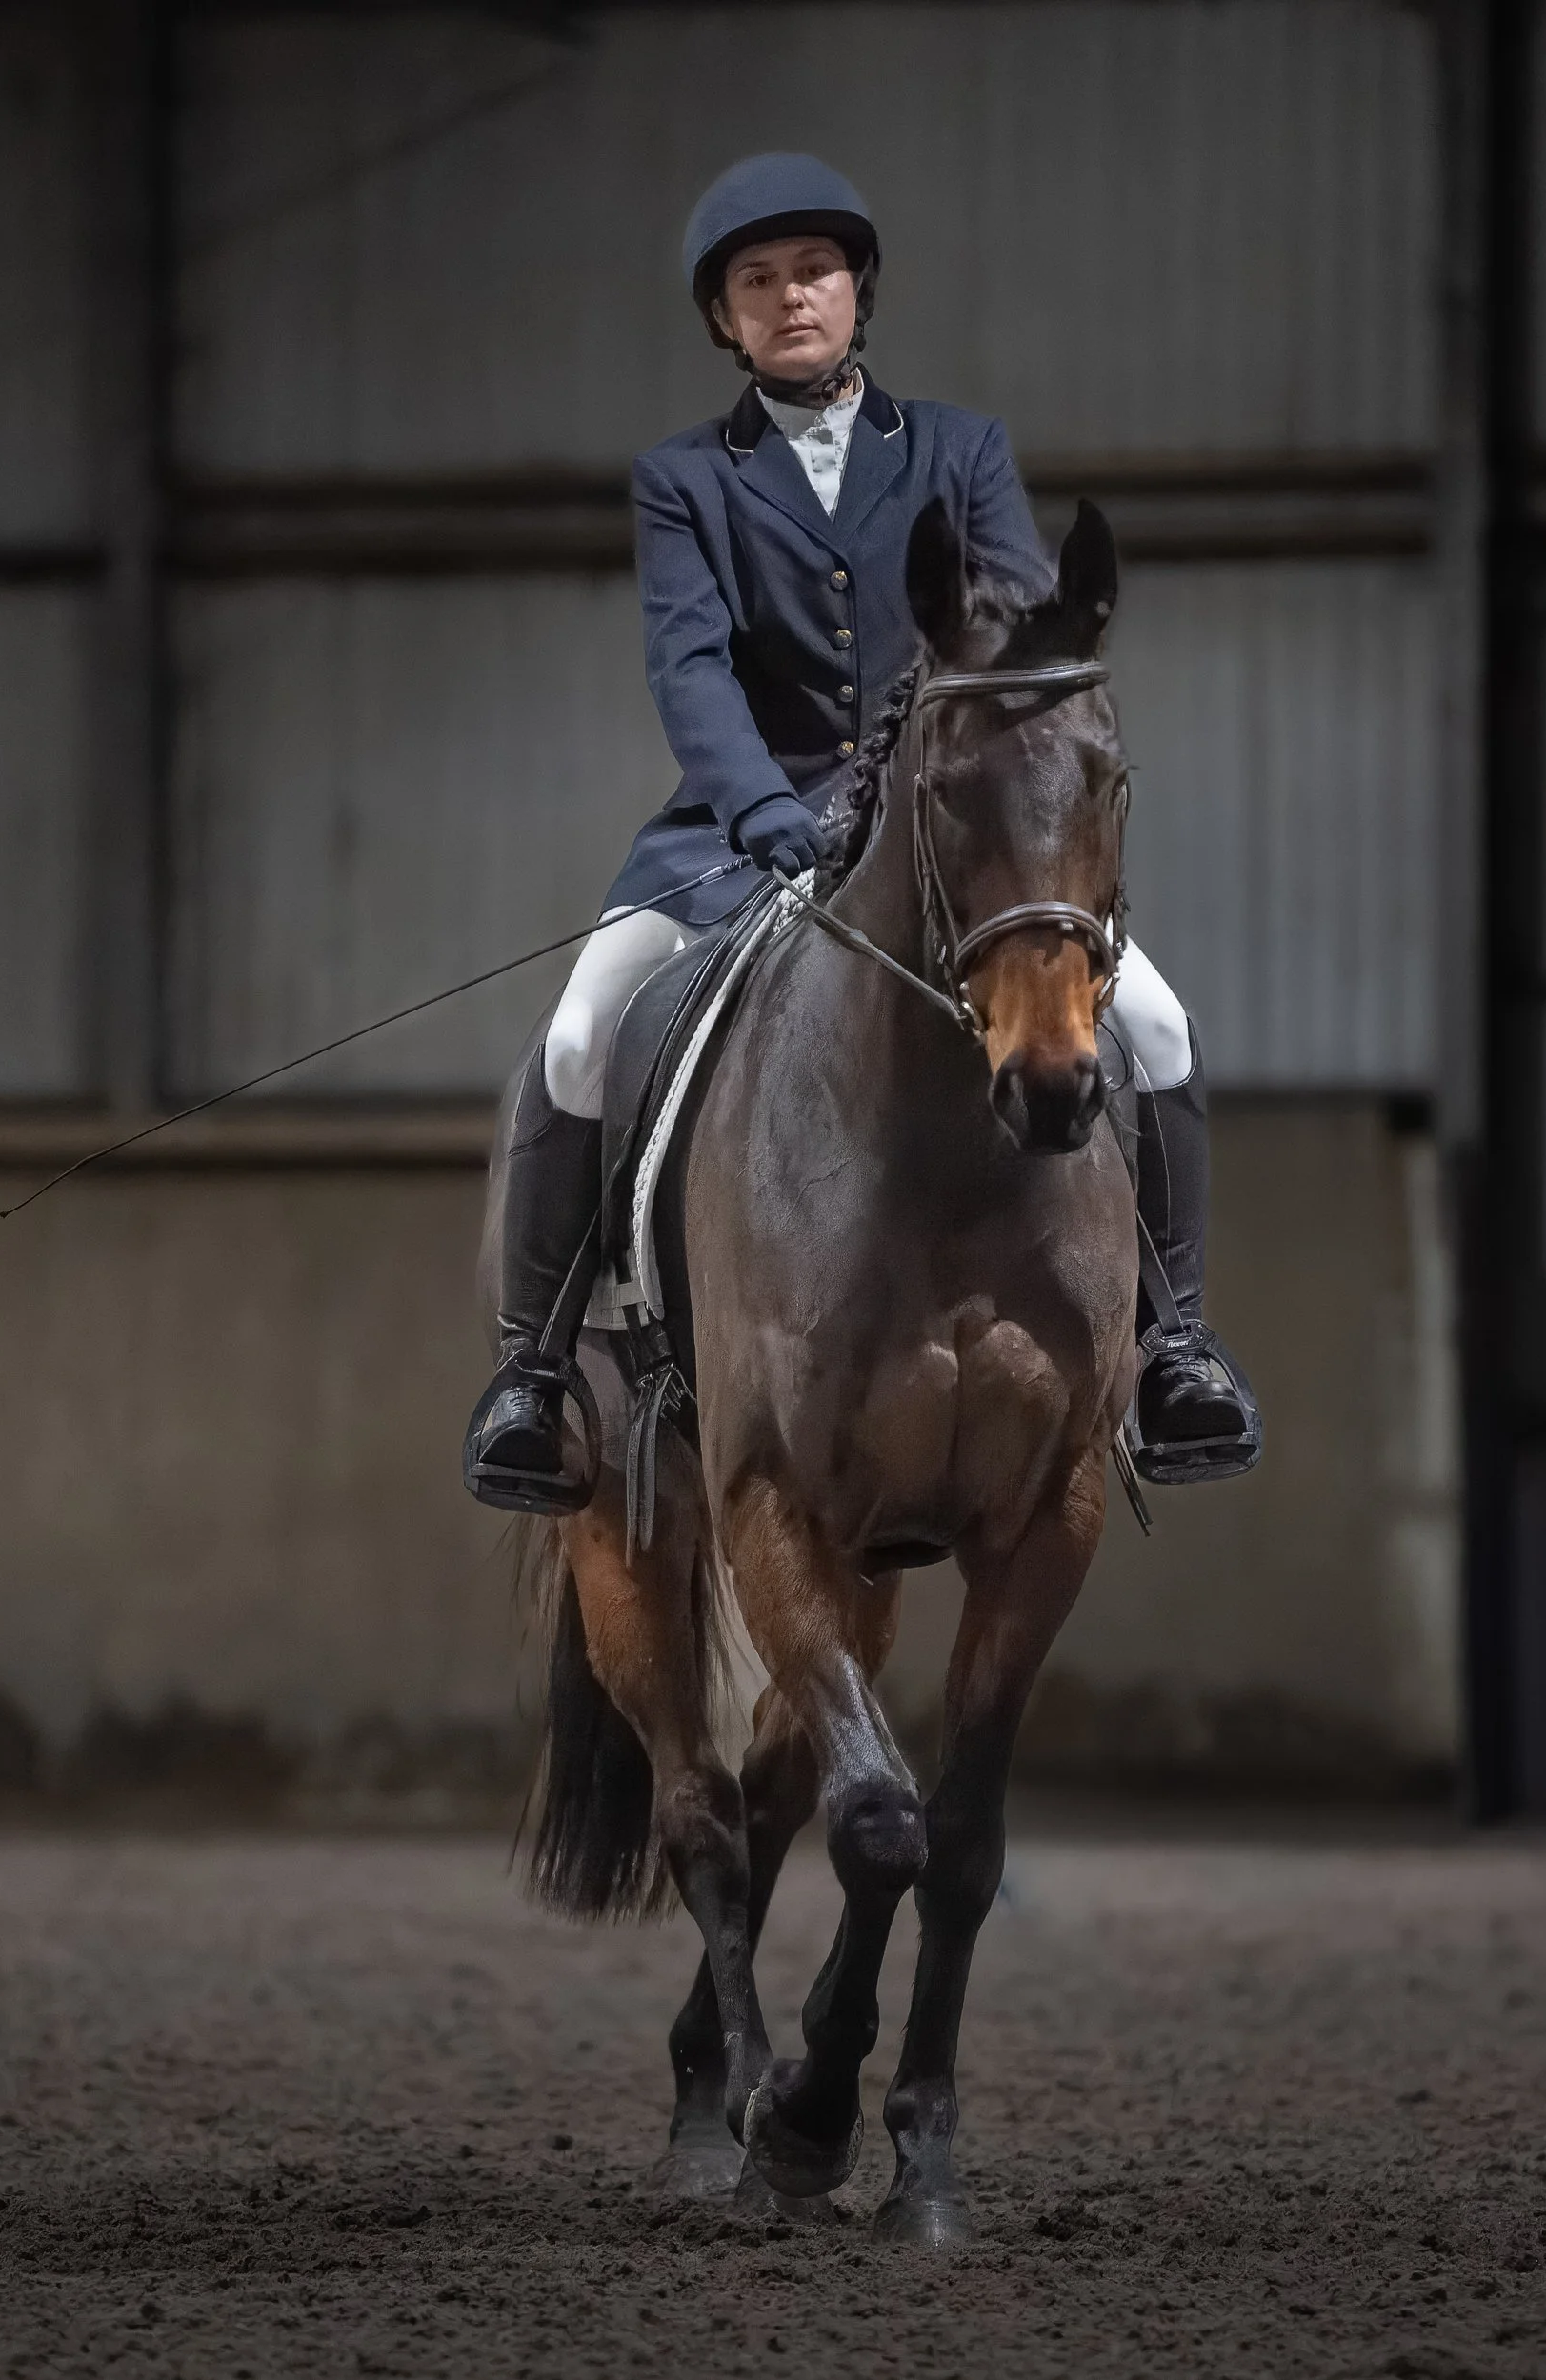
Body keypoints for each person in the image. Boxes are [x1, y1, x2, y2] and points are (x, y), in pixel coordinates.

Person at [464, 152, 1260, 1514]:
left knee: (1166, 1032)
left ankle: (1176, 1345)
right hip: (739, 830)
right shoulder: (684, 482)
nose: (791, 300)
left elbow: (1010, 628)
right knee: (586, 1032)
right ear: (725, 319)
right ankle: (535, 1374)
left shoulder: (960, 450)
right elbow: (690, 666)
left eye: (814, 273)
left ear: (857, 290)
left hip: (948, 832)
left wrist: (944, 780)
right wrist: (767, 811)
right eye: (758, 283)